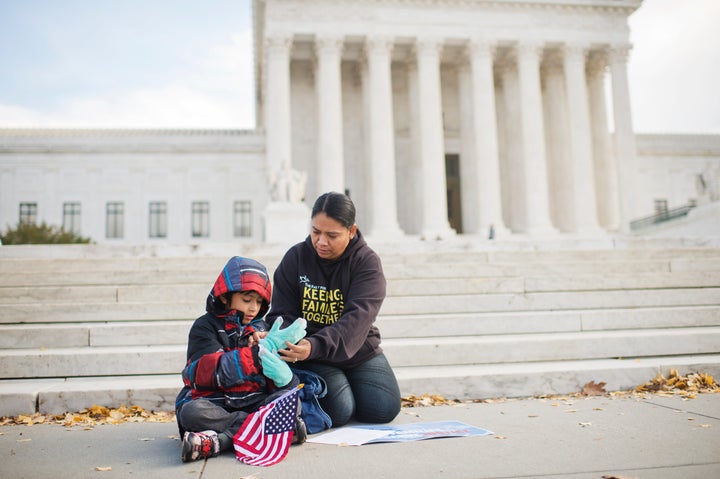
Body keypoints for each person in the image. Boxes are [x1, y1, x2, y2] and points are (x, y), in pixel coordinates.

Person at [266, 191, 402, 428]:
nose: (321, 242)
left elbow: (357, 320)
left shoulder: (366, 262)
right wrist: (297, 342)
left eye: (332, 235)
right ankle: (333, 390)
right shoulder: (296, 257)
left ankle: (345, 385)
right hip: (310, 354)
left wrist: (317, 344)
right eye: (316, 231)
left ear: (351, 231)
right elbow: (281, 312)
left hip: (356, 349)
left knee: (383, 408)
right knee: (339, 410)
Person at [175, 256, 307, 462]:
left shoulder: (262, 329)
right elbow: (202, 374)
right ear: (226, 297)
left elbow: (278, 385)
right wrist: (254, 356)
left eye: (259, 301)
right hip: (217, 403)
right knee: (191, 412)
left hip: (253, 401)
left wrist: (284, 377)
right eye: (247, 300)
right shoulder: (205, 326)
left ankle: (219, 441)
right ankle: (268, 430)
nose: (254, 308)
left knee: (291, 401)